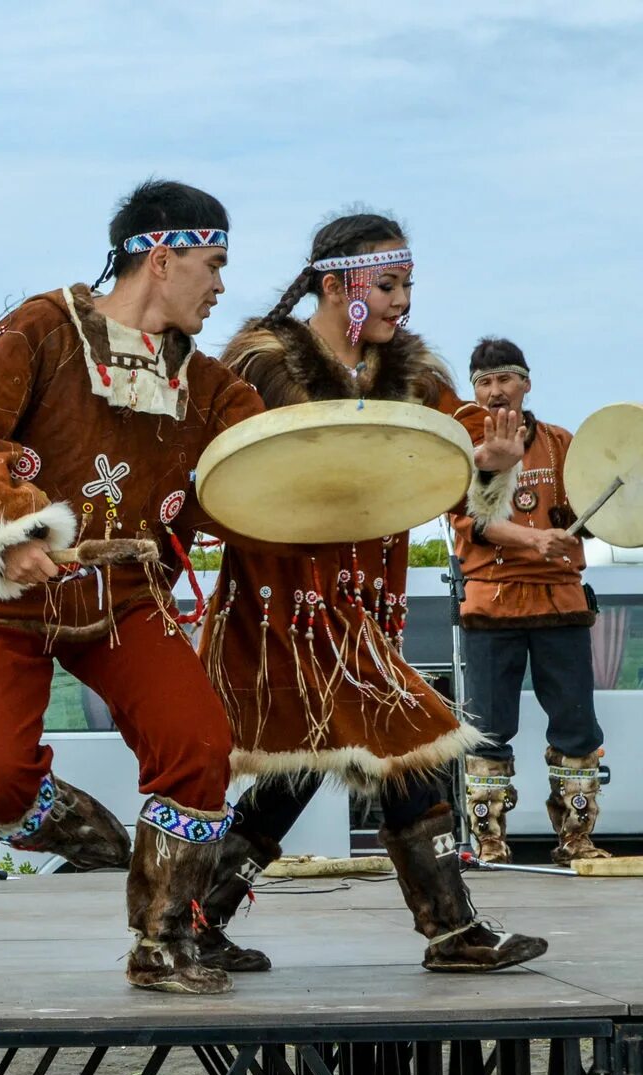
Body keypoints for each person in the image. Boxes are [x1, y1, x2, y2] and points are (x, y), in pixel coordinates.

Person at [0, 179, 263, 995]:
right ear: (161, 256)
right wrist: (13, 528)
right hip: (9, 596)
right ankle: (103, 841)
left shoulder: (209, 385)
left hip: (124, 595)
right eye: (212, 264)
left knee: (198, 746)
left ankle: (163, 939)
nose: (221, 286)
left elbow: (270, 458)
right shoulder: (43, 330)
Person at [195, 214, 548, 975]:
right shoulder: (259, 366)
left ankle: (199, 917)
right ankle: (453, 930)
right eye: (388, 286)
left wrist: (488, 461)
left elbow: (463, 475)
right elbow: (217, 468)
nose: (403, 303)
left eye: (407, 286)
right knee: (406, 740)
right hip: (280, 601)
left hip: (363, 608)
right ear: (335, 287)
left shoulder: (418, 377)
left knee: (302, 763)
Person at [450, 338, 608, 865]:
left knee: (576, 725)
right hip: (490, 607)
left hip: (560, 603)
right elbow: (474, 520)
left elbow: (601, 507)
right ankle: (489, 842)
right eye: (483, 382)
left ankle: (577, 838)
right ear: (473, 390)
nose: (494, 392)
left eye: (504, 379)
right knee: (486, 731)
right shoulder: (462, 449)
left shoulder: (564, 445)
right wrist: (534, 540)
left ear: (526, 382)